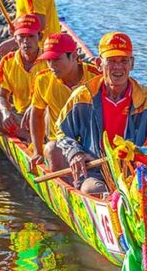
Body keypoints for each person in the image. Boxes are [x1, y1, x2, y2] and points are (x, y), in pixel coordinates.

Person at [55, 32, 147, 195]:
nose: (118, 67)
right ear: (99, 64)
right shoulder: (83, 96)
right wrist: (75, 153)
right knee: (91, 189)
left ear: (132, 64)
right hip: (96, 172)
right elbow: (61, 132)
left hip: (136, 173)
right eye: (111, 61)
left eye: (124, 61)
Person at [29, 32, 101, 172]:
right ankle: (68, 185)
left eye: (56, 59)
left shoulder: (96, 78)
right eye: (48, 60)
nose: (51, 65)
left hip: (91, 144)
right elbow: (37, 114)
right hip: (60, 145)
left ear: (74, 56)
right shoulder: (43, 80)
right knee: (51, 148)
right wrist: (37, 152)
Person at [0, 14, 49, 140]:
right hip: (21, 118)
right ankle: (26, 135)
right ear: (15, 39)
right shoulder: (7, 62)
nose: (26, 41)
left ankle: (38, 137)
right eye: (21, 37)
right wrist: (5, 112)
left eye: (31, 36)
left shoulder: (50, 62)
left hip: (44, 118)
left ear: (40, 37)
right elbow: (1, 96)